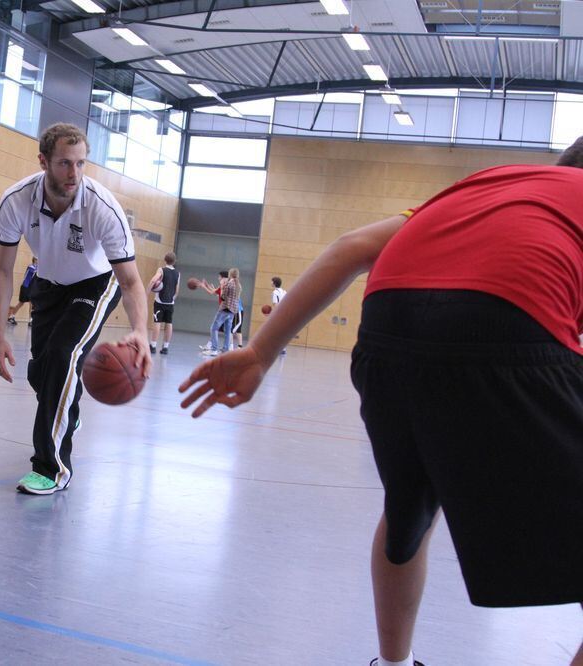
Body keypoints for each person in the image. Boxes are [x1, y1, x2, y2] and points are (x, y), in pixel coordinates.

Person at [179, 138, 583, 666]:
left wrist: (259, 351)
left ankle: (393, 663)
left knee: (408, 514)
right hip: (508, 320)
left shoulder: (491, 186)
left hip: (387, 328)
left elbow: (352, 246)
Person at [0, 123, 152, 495]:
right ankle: (69, 411)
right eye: (64, 163)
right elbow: (1, 270)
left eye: (81, 163)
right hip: (48, 283)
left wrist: (141, 331)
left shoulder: (102, 208)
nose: (74, 173)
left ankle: (51, 468)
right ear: (43, 161)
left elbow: (129, 281)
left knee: (64, 355)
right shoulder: (16, 200)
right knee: (41, 373)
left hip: (96, 282)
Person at [203, 268, 241, 356]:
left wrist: (223, 287)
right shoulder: (238, 285)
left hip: (225, 309)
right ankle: (225, 349)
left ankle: (214, 349)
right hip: (232, 311)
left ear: (230, 274)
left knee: (214, 328)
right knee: (228, 330)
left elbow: (223, 297)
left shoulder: (229, 284)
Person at [148, 252, 180, 355]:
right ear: (174, 261)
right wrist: (172, 298)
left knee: (157, 322)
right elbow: (177, 290)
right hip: (170, 302)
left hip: (160, 301)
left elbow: (153, 281)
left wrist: (146, 293)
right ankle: (165, 347)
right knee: (169, 323)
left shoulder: (161, 270)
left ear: (165, 259)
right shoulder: (177, 274)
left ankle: (153, 346)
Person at [7, 256, 38, 325]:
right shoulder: (31, 267)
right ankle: (11, 316)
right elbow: (34, 272)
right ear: (35, 260)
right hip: (25, 287)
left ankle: (31, 320)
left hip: (32, 288)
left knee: (32, 303)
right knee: (21, 303)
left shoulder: (37, 268)